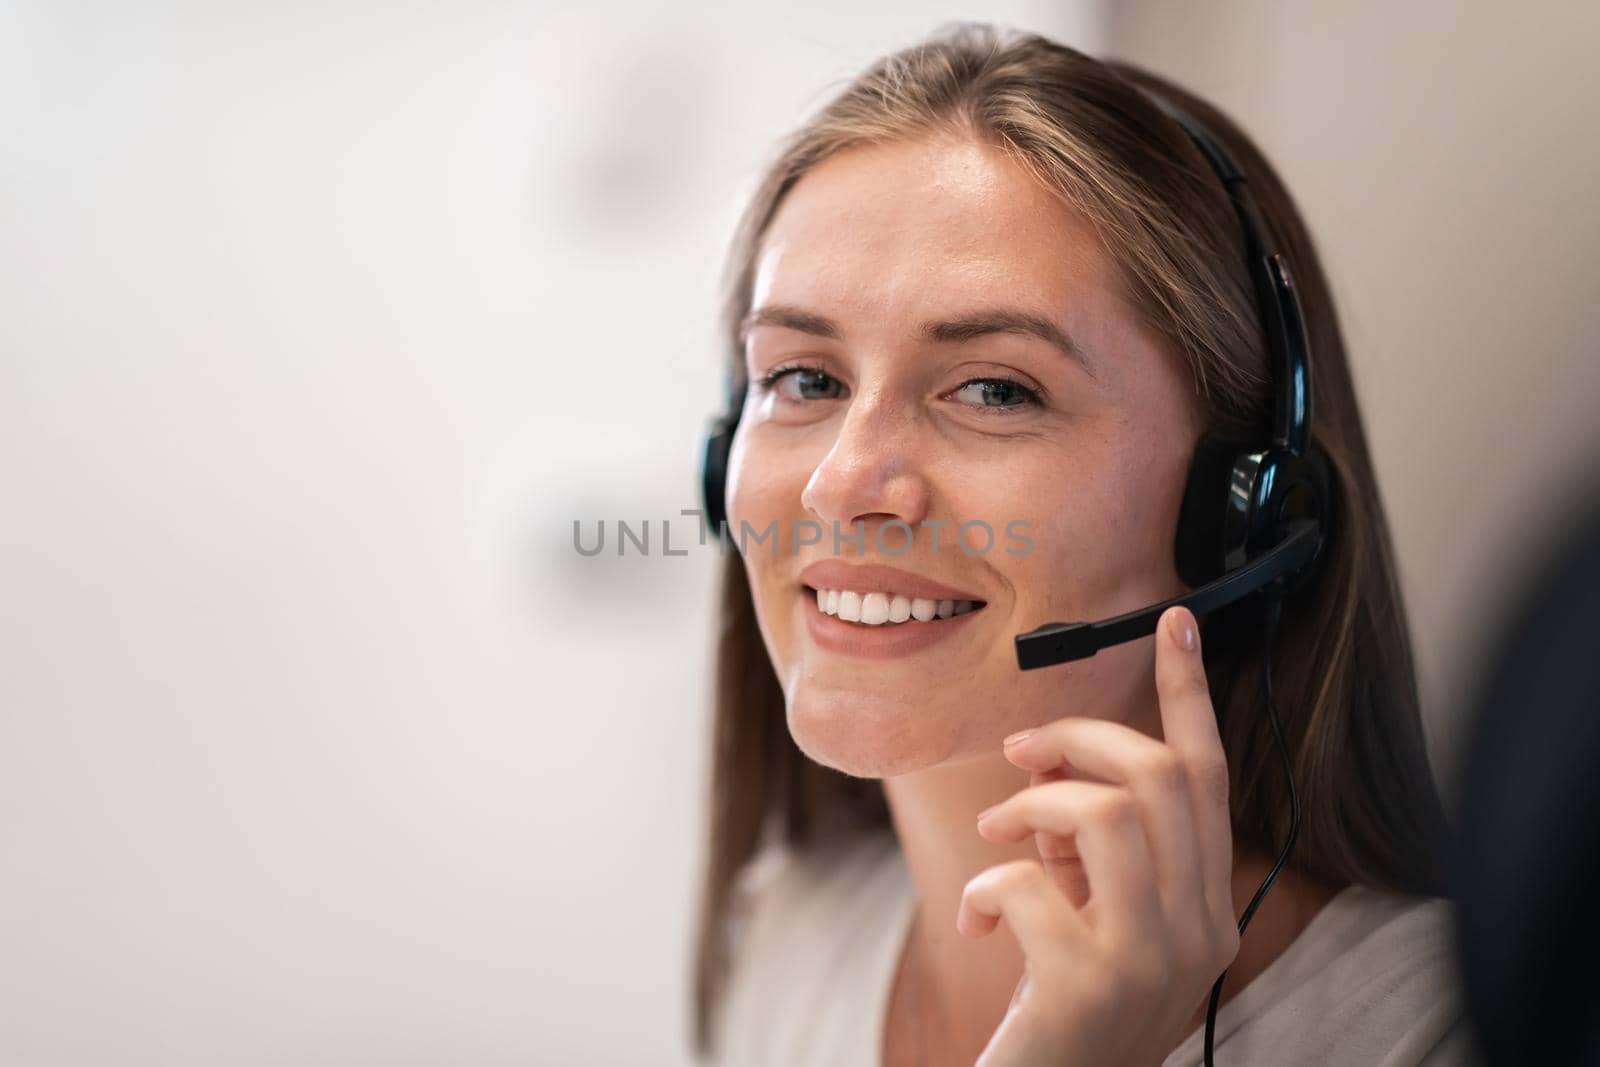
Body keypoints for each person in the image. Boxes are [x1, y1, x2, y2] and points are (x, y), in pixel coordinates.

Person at [688, 22, 1479, 1067]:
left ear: (1241, 504)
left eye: (994, 388)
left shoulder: (1442, 1025)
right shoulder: (790, 937)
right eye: (803, 378)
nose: (841, 483)